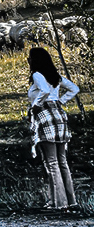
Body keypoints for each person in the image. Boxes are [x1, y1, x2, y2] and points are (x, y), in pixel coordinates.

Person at [27, 47, 80, 210]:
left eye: (29, 57)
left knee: (51, 162)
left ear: (35, 60)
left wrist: (36, 105)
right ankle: (71, 201)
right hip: (60, 116)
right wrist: (60, 101)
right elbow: (74, 88)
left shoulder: (37, 75)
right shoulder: (55, 76)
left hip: (45, 116)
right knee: (62, 161)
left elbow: (43, 90)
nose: (28, 60)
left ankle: (59, 203)